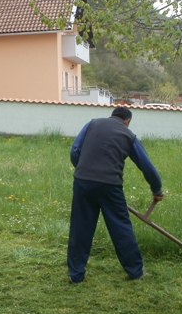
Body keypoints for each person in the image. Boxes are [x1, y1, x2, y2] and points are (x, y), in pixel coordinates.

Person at [67, 106, 164, 284]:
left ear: (112, 116)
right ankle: (135, 272)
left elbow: (74, 150)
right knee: (121, 227)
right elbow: (146, 166)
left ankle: (76, 274)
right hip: (110, 186)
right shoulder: (128, 135)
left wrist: (83, 169)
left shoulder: (92, 124)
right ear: (127, 121)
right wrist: (156, 190)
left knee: (80, 227)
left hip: (82, 182)